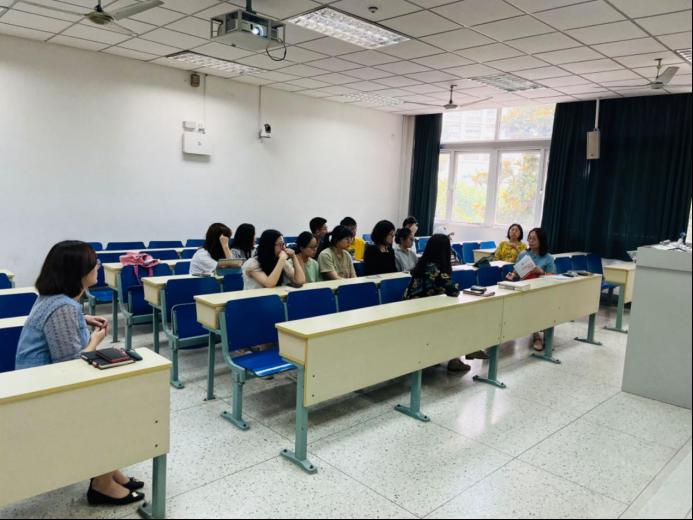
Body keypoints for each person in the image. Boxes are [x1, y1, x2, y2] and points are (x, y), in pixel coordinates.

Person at [14, 241, 145, 506]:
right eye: (93, 263)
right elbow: (72, 364)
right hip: (41, 392)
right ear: (77, 272)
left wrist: (83, 319)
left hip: (42, 383)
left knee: (114, 393)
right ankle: (101, 484)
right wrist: (95, 340)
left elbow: (60, 324)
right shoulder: (64, 308)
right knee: (115, 405)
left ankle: (109, 469)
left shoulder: (55, 299)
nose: (98, 266)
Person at [404, 234, 471, 372]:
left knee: (452, 316)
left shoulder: (424, 264)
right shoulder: (435, 268)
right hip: (421, 312)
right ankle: (456, 358)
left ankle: (447, 354)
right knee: (458, 319)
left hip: (414, 308)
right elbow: (453, 290)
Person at [506, 227, 556, 351]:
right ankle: (536, 336)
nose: (531, 241)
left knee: (543, 305)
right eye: (529, 238)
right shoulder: (523, 254)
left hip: (542, 290)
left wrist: (541, 272)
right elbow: (516, 272)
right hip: (525, 289)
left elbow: (553, 276)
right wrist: (512, 275)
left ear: (541, 241)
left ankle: (545, 333)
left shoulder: (548, 258)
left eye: (534, 239)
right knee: (531, 305)